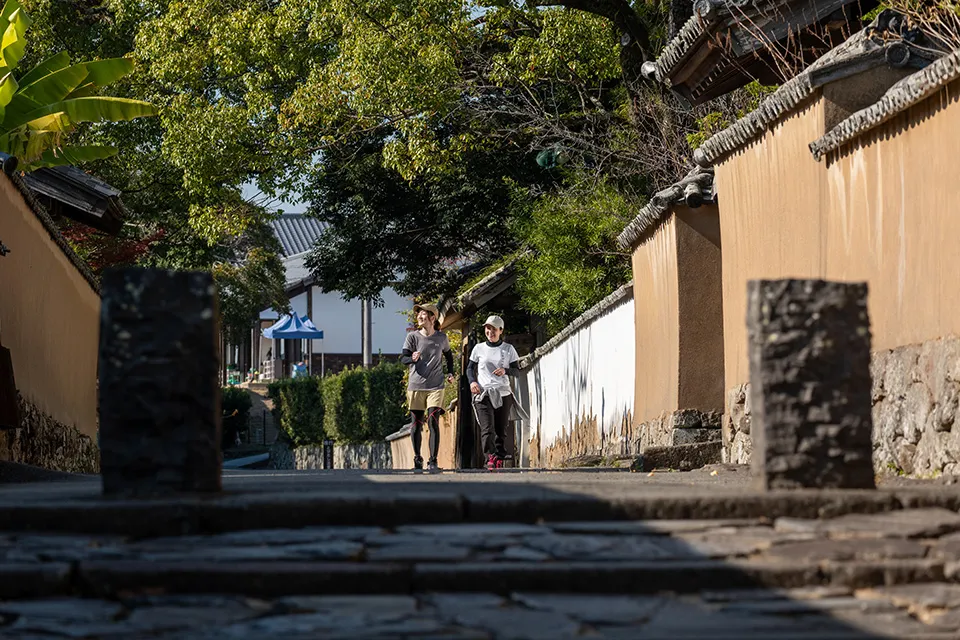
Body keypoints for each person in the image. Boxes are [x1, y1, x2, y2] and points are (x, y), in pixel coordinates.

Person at [400, 302, 454, 472]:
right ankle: (417, 458)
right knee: (416, 424)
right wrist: (412, 358)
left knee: (433, 421)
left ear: (432, 317)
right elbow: (403, 358)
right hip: (416, 385)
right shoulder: (413, 337)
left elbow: (449, 356)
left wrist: (450, 372)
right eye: (418, 314)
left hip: (436, 386)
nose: (419, 317)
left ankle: (433, 460)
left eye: (423, 314)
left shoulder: (441, 338)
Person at [467, 315, 523, 470]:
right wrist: (472, 382)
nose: (490, 331)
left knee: (500, 429)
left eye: (493, 329)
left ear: (500, 330)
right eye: (487, 328)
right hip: (484, 394)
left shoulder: (508, 349)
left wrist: (505, 370)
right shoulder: (478, 348)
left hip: (503, 393)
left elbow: (517, 372)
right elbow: (469, 368)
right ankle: (490, 458)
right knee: (487, 428)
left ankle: (499, 456)